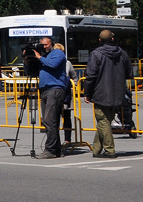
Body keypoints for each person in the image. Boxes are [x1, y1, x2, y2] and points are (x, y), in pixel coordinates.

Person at [82, 29, 132, 158]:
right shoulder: (122, 53)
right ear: (113, 39)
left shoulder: (96, 54)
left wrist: (87, 92)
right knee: (104, 121)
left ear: (100, 40)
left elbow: (90, 75)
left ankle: (110, 150)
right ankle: (96, 149)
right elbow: (129, 73)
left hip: (101, 92)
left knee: (103, 121)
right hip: (118, 92)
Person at [30, 36, 70, 158]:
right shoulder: (43, 57)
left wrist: (39, 57)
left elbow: (53, 65)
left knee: (49, 119)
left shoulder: (57, 53)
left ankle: (50, 150)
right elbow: (31, 72)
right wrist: (28, 60)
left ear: (51, 44)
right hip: (45, 90)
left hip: (55, 89)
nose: (44, 47)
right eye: (42, 45)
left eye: (46, 45)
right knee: (51, 120)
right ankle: (56, 149)